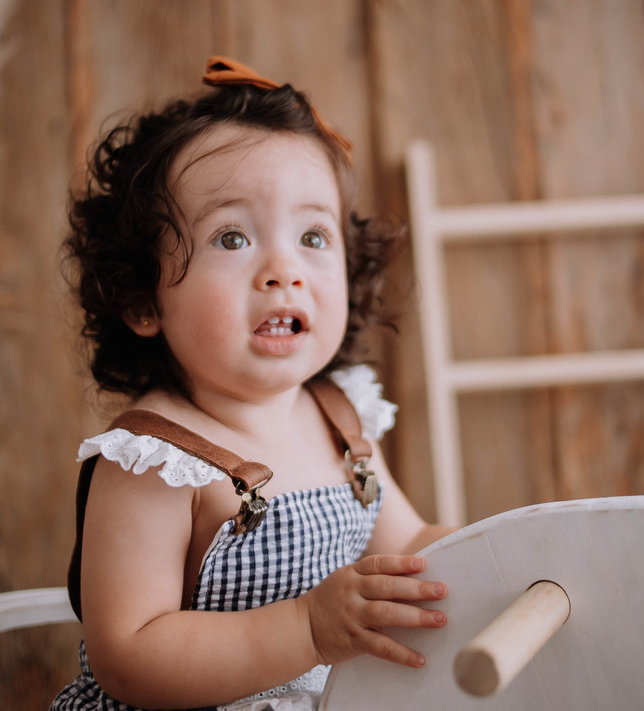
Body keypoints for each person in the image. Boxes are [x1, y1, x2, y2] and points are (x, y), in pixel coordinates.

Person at [52, 57, 453, 711]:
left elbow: (407, 545)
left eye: (313, 235)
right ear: (143, 299)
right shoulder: (155, 460)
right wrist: (306, 628)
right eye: (232, 237)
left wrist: (501, 552)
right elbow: (127, 653)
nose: (284, 269)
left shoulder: (340, 417)